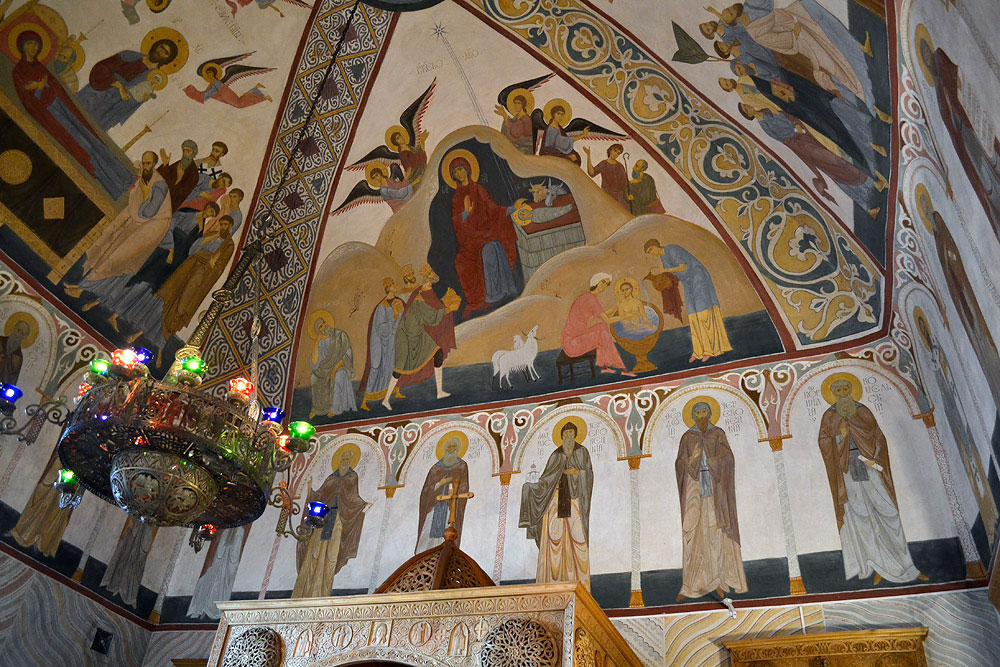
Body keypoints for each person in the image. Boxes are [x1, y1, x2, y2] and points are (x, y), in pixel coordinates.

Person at [817, 376, 927, 585]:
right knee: (859, 514)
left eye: (845, 389)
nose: (842, 394)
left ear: (851, 391)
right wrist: (840, 436)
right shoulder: (829, 416)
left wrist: (875, 457)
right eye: (838, 391)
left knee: (887, 510)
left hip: (869, 465)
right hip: (847, 469)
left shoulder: (863, 411)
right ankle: (875, 564)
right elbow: (824, 442)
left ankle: (905, 565)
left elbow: (878, 436)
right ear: (834, 394)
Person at [11, 32, 132, 199]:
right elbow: (27, 103)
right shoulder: (18, 72)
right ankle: (116, 186)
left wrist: (44, 87)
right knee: (83, 146)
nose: (32, 47)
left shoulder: (39, 66)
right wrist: (39, 87)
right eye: (28, 43)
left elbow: (55, 86)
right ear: (22, 46)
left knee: (91, 138)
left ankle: (126, 177)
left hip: (64, 105)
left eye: (34, 44)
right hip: (51, 115)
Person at [63, 151, 171, 307]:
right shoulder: (145, 176)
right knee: (109, 248)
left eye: (148, 163)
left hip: (153, 227)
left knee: (118, 257)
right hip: (139, 221)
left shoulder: (160, 185)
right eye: (143, 162)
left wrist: (146, 194)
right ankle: (82, 284)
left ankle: (82, 289)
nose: (145, 166)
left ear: (154, 164)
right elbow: (135, 205)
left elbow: (148, 212)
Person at [675, 401, 747, 601]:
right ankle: (694, 584)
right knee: (696, 535)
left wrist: (713, 461)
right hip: (695, 492)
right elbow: (679, 464)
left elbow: (728, 458)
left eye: (704, 412)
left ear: (709, 413)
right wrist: (692, 460)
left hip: (716, 492)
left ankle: (719, 580)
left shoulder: (718, 434)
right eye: (698, 412)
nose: (701, 416)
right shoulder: (687, 437)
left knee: (717, 533)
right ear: (693, 416)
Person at [519, 418, 594, 590]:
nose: (568, 436)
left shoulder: (582, 452)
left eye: (571, 433)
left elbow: (588, 475)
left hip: (574, 501)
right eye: (565, 433)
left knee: (577, 537)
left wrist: (576, 474)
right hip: (555, 501)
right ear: (561, 436)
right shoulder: (555, 455)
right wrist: (531, 488)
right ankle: (550, 581)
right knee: (553, 537)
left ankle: (579, 582)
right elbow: (546, 479)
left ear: (575, 435)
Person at [292, 447, 371, 598]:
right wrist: (310, 491)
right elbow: (321, 494)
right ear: (339, 461)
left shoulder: (352, 477)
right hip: (323, 520)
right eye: (343, 459)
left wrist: (362, 506)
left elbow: (352, 497)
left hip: (339, 519)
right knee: (314, 552)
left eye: (347, 460)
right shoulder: (331, 478)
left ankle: (322, 591)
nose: (345, 462)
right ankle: (306, 590)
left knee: (331, 555)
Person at [447, 153, 519, 316]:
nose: (459, 173)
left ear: (467, 169)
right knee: (460, 262)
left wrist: (514, 207)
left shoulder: (479, 189)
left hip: (486, 232)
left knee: (490, 249)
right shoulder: (457, 197)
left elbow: (495, 209)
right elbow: (456, 223)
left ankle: (495, 296)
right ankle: (477, 300)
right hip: (469, 239)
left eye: (460, 169)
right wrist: (466, 212)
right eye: (455, 172)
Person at [382, 265, 459, 409]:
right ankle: (386, 399)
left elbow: (430, 312)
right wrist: (448, 309)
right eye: (428, 285)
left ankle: (439, 391)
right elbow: (429, 316)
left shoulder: (420, 295)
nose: (429, 287)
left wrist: (446, 307)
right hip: (405, 335)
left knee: (438, 352)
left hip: (417, 333)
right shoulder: (418, 296)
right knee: (399, 369)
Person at [644, 240, 732, 362]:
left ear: (655, 245)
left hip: (698, 277)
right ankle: (698, 351)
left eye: (650, 250)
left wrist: (662, 271)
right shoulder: (663, 258)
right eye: (649, 252)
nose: (651, 253)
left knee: (703, 311)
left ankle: (710, 349)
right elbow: (672, 276)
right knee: (692, 314)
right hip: (687, 282)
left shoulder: (672, 249)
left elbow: (682, 267)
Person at [156, 215, 236, 342]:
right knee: (176, 288)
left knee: (187, 296)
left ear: (230, 226)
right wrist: (211, 238)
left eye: (225, 225)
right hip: (192, 263)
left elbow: (221, 266)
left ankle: (173, 325)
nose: (222, 227)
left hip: (204, 271)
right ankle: (161, 322)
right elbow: (195, 247)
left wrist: (211, 264)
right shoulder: (213, 234)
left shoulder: (229, 245)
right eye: (221, 224)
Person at [77, 36, 179, 130]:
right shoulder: (129, 55)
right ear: (155, 45)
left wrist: (139, 98)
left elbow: (133, 101)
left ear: (167, 59)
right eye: (161, 47)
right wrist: (113, 82)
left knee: (90, 127)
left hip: (111, 105)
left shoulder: (154, 80)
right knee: (77, 109)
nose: (160, 52)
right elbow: (103, 66)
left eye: (165, 52)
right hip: (99, 90)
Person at [561, 273, 632, 375]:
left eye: (607, 283)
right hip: (573, 343)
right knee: (602, 333)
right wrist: (626, 316)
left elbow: (601, 315)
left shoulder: (588, 296)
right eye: (603, 282)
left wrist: (616, 307)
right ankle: (622, 369)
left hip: (573, 338)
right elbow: (607, 319)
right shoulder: (590, 299)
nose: (605, 285)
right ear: (596, 282)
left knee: (601, 326)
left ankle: (603, 366)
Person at [415, 434, 470, 552]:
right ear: (444, 449)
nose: (451, 450)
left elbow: (464, 486)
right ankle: (425, 553)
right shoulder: (435, 469)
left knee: (449, 529)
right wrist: (440, 483)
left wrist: (455, 492)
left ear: (458, 449)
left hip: (450, 508)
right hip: (433, 508)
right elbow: (425, 491)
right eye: (449, 447)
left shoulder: (462, 466)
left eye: (454, 447)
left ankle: (447, 552)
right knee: (428, 534)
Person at [357, 278, 406, 410]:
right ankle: (365, 400)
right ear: (387, 287)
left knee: (392, 364)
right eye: (392, 284)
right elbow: (380, 328)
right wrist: (394, 316)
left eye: (394, 283)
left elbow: (402, 320)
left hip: (392, 339)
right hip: (379, 340)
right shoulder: (382, 306)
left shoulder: (398, 302)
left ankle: (395, 390)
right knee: (376, 365)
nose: (395, 286)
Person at [186, 525, 251, 618]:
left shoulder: (239, 531)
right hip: (219, 562)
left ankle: (212, 610)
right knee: (208, 581)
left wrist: (229, 558)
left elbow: (235, 553)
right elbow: (220, 548)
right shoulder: (226, 530)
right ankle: (200, 608)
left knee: (220, 587)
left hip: (227, 563)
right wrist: (221, 555)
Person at [307, 311, 356, 419]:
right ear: (318, 330)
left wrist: (335, 368)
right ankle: (318, 408)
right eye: (320, 326)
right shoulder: (320, 342)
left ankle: (335, 408)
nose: (324, 326)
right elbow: (315, 364)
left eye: (324, 322)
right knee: (314, 377)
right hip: (325, 369)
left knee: (338, 375)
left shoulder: (340, 335)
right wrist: (317, 341)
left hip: (341, 366)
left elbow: (347, 355)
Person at [101, 518, 156, 607]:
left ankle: (130, 596)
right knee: (124, 557)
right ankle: (115, 585)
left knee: (137, 567)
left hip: (146, 534)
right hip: (135, 529)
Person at [157, 140, 201, 214]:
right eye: (184, 150)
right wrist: (165, 164)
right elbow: (162, 178)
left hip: (171, 203)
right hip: (161, 197)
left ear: (193, 152)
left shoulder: (194, 174)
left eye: (188, 151)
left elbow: (181, 194)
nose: (185, 153)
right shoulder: (177, 164)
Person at [584, 143, 627, 208]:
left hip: (617, 197)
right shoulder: (603, 164)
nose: (616, 154)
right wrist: (588, 155)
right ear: (610, 150)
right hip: (605, 194)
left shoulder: (620, 166)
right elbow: (592, 173)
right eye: (615, 151)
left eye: (618, 153)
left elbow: (624, 184)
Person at [0, 313, 33, 385]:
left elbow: (13, 379)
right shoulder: (0, 340)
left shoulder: (18, 357)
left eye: (23, 334)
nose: (19, 335)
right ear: (14, 328)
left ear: (24, 337)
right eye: (18, 330)